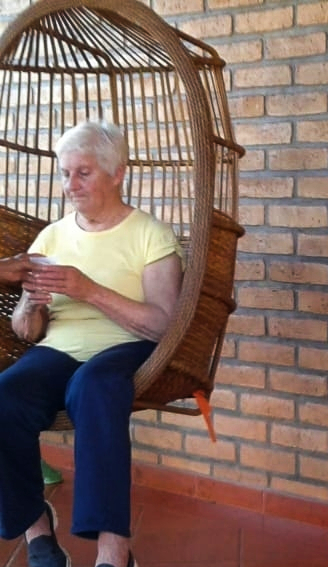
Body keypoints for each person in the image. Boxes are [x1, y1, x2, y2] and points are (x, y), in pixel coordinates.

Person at [0, 120, 184, 567]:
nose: (70, 185)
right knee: (4, 395)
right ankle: (37, 531)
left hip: (126, 346)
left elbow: (165, 325)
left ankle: (113, 550)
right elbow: (27, 331)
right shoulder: (52, 236)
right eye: (65, 173)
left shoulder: (150, 234)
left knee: (94, 386)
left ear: (117, 173)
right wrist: (31, 307)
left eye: (83, 173)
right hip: (58, 348)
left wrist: (89, 290)